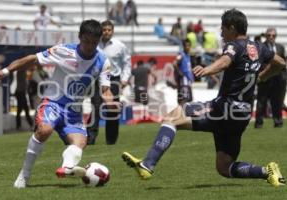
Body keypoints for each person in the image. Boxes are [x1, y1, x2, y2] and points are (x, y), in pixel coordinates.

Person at [122, 9, 286, 187]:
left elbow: (225, 61)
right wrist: (262, 76)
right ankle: (267, 172)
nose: (221, 33)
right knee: (224, 167)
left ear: (232, 28)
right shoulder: (259, 47)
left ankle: (148, 164)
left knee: (172, 117)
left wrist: (208, 69)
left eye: (223, 28)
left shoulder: (233, 46)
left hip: (224, 110)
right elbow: (281, 63)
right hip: (242, 115)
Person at [0, 19, 116, 188]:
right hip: (53, 103)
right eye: (86, 41)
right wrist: (4, 71)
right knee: (44, 130)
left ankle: (66, 168)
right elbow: (33, 59)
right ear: (79, 37)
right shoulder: (64, 51)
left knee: (80, 143)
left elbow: (106, 90)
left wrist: (111, 102)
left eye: (94, 42)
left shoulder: (103, 61)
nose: (89, 46)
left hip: (73, 111)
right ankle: (24, 175)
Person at [87, 20, 131, 145]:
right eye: (104, 29)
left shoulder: (120, 46)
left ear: (113, 31)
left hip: (114, 80)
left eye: (109, 30)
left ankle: (111, 140)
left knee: (112, 110)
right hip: (97, 80)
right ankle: (90, 138)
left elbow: (127, 63)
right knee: (95, 107)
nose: (106, 32)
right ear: (101, 31)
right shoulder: (94, 44)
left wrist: (124, 79)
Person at [255, 27, 286, 128]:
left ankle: (278, 122)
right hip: (265, 78)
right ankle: (259, 123)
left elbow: (283, 63)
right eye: (269, 35)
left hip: (278, 80)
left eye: (273, 35)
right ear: (266, 36)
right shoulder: (260, 47)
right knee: (261, 102)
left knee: (277, 102)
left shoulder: (280, 47)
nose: (271, 37)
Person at [173, 39, 194, 105]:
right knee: (184, 98)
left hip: (188, 80)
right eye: (186, 46)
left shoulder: (188, 56)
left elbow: (188, 68)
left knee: (189, 98)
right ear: (183, 46)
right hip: (183, 80)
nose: (187, 47)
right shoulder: (181, 54)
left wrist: (191, 77)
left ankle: (184, 113)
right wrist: (180, 73)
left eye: (189, 46)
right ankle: (180, 113)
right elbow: (174, 63)